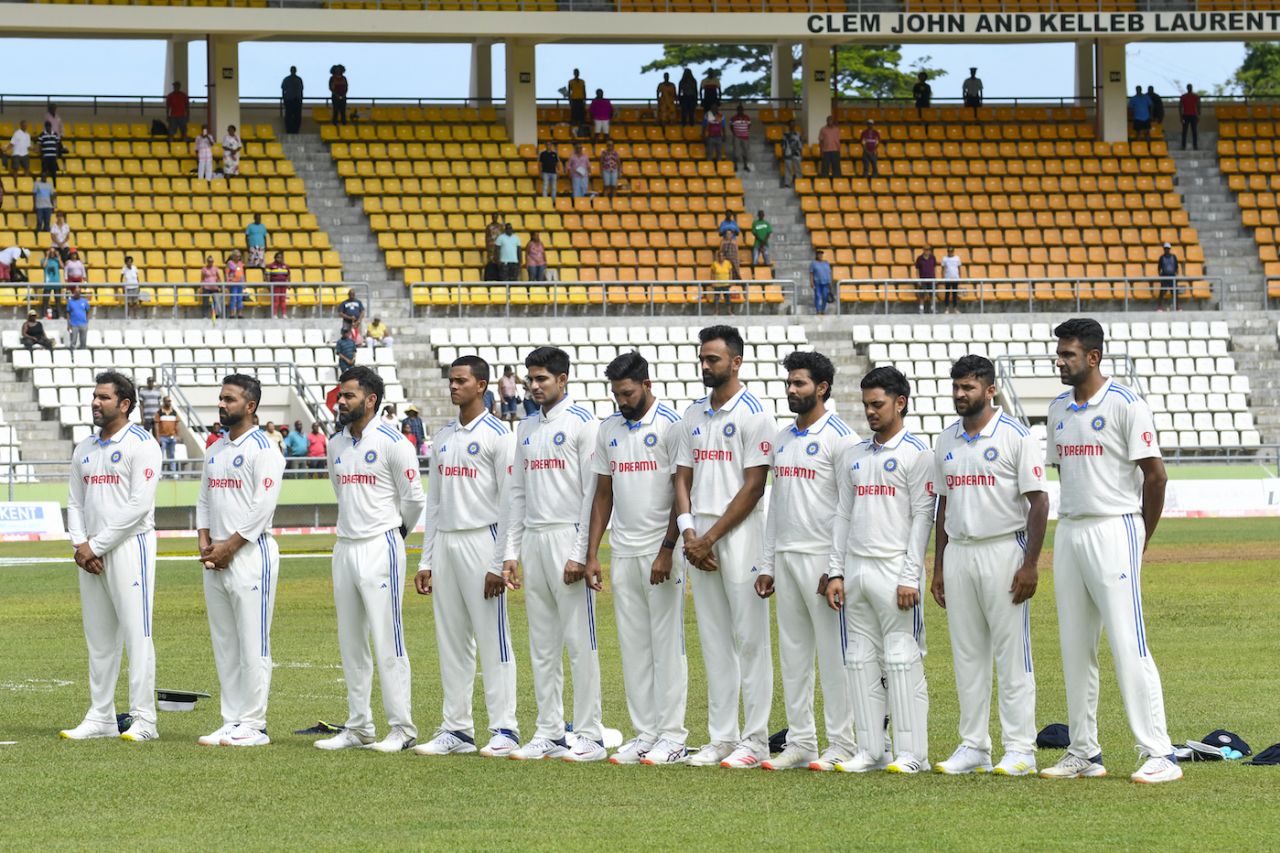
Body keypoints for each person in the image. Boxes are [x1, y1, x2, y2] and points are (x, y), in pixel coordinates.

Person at [1040, 319, 1179, 784]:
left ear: (1093, 357)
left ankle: (1159, 752)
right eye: (1059, 354)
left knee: (1127, 642)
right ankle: (1084, 751)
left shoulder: (1125, 404)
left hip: (1115, 528)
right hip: (1071, 531)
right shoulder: (1058, 408)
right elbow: (1063, 474)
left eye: (1068, 355)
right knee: (1075, 646)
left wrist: (1141, 534)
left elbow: (1156, 477)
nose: (1060, 361)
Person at [930, 356, 1048, 777]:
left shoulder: (1017, 435)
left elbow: (1038, 501)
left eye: (969, 388)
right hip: (959, 552)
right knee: (967, 655)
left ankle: (1020, 749)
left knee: (1012, 654)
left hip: (1004, 550)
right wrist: (939, 566)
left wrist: (1030, 563)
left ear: (990, 389)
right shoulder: (945, 440)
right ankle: (973, 745)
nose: (961, 395)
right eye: (957, 388)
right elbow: (943, 505)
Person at [673, 325, 775, 769]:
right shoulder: (692, 414)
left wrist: (708, 538)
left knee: (750, 640)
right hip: (700, 536)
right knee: (714, 640)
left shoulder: (756, 413)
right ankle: (722, 737)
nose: (705, 366)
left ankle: (755, 740)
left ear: (735, 362)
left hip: (742, 533)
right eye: (702, 358)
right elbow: (681, 477)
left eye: (713, 359)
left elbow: (754, 487)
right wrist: (688, 531)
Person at [825, 366, 935, 775]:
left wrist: (910, 576)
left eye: (878, 404)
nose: (870, 412)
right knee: (859, 659)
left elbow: (923, 517)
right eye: (867, 405)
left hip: (894, 571)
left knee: (902, 659)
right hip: (857, 569)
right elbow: (843, 515)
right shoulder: (854, 454)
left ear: (900, 403)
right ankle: (873, 749)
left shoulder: (917, 454)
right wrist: (835, 571)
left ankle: (913, 754)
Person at [412, 356, 520, 759]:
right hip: (448, 545)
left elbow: (509, 502)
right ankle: (456, 728)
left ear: (482, 385)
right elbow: (435, 503)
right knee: (451, 639)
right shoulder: (442, 437)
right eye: (451, 380)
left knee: (493, 638)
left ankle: (505, 728)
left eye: (461, 381)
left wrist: (501, 560)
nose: (454, 387)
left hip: (483, 539)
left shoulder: (498, 435)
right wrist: (426, 560)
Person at [583, 353, 688, 766]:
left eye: (626, 393)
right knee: (633, 647)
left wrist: (667, 548)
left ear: (646, 383)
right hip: (623, 551)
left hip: (661, 551)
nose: (621, 401)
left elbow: (683, 489)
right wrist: (593, 554)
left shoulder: (672, 425)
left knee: (667, 646)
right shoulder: (608, 428)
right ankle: (645, 733)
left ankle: (673, 736)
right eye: (615, 394)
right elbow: (602, 495)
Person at [755, 351, 857, 772]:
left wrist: (836, 569)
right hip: (787, 556)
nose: (791, 390)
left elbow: (848, 509)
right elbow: (776, 503)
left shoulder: (842, 437)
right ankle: (801, 741)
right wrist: (767, 562)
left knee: (835, 656)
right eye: (789, 383)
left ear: (822, 388)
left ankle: (844, 743)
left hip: (821, 561)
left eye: (799, 383)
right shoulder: (782, 438)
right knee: (794, 656)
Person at [501, 347, 604, 762]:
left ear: (563, 380)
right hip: (534, 539)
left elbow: (591, 493)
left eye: (543, 378)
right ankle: (548, 731)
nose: (535, 385)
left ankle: (590, 734)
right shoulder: (524, 427)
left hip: (568, 538)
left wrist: (581, 552)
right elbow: (518, 494)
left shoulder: (583, 423)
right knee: (542, 645)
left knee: (581, 642)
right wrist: (510, 551)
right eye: (531, 379)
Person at [317, 366, 425, 753]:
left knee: (387, 638)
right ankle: (359, 726)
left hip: (382, 544)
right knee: (351, 641)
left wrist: (396, 535)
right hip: (344, 545)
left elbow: (413, 499)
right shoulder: (335, 444)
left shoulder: (395, 442)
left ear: (371, 399)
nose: (341, 401)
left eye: (348, 396)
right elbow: (339, 490)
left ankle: (402, 728)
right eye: (340, 395)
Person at [60, 372, 163, 743]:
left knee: (138, 635)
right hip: (90, 553)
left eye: (103, 397)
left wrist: (96, 545)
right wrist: (79, 545)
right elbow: (75, 501)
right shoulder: (85, 446)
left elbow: (138, 506)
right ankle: (101, 716)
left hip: (129, 547)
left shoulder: (143, 444)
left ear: (124, 404)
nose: (95, 403)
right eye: (94, 396)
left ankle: (144, 720)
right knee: (99, 639)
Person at [195, 374, 287, 748]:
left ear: (249, 406)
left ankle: (254, 723)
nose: (221, 405)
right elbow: (204, 500)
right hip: (216, 556)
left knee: (253, 642)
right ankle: (231, 719)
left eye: (229, 399)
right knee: (225, 643)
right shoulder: (215, 448)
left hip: (250, 554)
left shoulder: (264, 448)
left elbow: (261, 508)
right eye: (220, 399)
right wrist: (206, 544)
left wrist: (229, 547)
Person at [154, 396, 180, 477]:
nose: (169, 402)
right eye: (167, 401)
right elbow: (156, 426)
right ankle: (160, 472)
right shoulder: (159, 412)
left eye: (170, 401)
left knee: (172, 455)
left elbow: (177, 425)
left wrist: (177, 435)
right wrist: (157, 437)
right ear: (164, 402)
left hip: (172, 437)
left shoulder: (174, 412)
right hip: (162, 437)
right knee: (160, 455)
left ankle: (173, 472)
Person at [265, 252, 290, 318]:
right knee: (276, 300)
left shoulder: (286, 266)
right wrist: (268, 284)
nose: (280, 259)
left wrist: (289, 283)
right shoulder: (270, 266)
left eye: (281, 257)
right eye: (278, 257)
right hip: (275, 285)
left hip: (283, 285)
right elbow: (267, 276)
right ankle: (274, 314)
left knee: (283, 300)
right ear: (275, 258)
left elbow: (288, 276)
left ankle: (284, 314)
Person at [1156, 242, 1180, 310]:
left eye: (1168, 248)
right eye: (1165, 248)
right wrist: (1161, 276)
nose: (1167, 250)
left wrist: (1176, 274)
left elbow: (1176, 267)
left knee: (1175, 292)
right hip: (1165, 277)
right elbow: (1159, 268)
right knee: (1162, 292)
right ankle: (1159, 306)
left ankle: (1177, 306)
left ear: (1170, 249)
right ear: (1164, 249)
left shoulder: (1174, 257)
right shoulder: (1161, 257)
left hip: (1172, 277)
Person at [709, 248, 734, 315]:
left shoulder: (728, 263)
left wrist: (730, 281)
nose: (721, 257)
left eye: (722, 256)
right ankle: (716, 312)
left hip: (726, 284)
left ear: (724, 257)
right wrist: (712, 282)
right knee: (717, 299)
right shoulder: (714, 264)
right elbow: (712, 273)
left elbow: (730, 272)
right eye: (719, 256)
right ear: (718, 257)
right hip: (717, 284)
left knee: (727, 298)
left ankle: (729, 312)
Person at [914, 246, 938, 314]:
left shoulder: (933, 257)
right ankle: (921, 308)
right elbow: (917, 270)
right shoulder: (919, 258)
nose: (927, 251)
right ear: (923, 250)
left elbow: (935, 268)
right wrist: (918, 279)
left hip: (931, 279)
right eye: (926, 250)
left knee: (932, 294)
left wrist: (935, 278)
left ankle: (933, 308)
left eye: (928, 250)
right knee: (922, 295)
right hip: (923, 279)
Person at [281, 66, 305, 134]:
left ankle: (296, 131)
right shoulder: (286, 79)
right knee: (288, 117)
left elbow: (301, 90)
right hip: (289, 100)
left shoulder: (299, 79)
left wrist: (301, 100)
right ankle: (289, 130)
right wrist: (284, 99)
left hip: (297, 100)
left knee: (297, 117)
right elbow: (283, 90)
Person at [40, 248, 62, 318]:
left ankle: (59, 315)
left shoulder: (57, 260)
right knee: (46, 300)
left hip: (56, 282)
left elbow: (62, 266)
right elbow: (44, 265)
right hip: (47, 282)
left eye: (53, 252)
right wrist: (47, 256)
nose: (52, 253)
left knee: (58, 300)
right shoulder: (44, 260)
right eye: (51, 252)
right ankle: (44, 315)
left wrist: (58, 257)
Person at [66, 286, 90, 350]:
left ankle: (82, 355)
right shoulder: (70, 302)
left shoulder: (84, 301)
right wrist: (68, 324)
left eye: (78, 292)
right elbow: (68, 313)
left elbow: (87, 311)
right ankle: (72, 355)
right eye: (75, 292)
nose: (77, 293)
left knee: (83, 342)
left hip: (83, 324)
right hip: (74, 324)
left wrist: (87, 320)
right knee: (73, 341)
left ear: (80, 293)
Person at [780, 120, 803, 188]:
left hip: (797, 154)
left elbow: (800, 145)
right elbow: (783, 145)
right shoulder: (785, 134)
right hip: (788, 153)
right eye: (791, 124)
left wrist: (801, 154)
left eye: (793, 124)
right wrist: (783, 154)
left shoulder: (798, 134)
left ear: (795, 126)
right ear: (788, 125)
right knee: (788, 169)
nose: (792, 126)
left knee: (798, 168)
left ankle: (799, 182)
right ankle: (787, 183)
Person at [729, 105, 752, 172]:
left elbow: (749, 126)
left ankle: (745, 166)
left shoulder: (747, 117)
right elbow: (731, 126)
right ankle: (735, 166)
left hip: (745, 137)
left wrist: (743, 132)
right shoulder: (733, 118)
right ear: (737, 110)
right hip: (737, 137)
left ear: (743, 110)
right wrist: (735, 133)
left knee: (745, 152)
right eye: (739, 110)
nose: (740, 111)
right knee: (736, 153)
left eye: (741, 110)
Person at [939, 246, 962, 314]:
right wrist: (942, 278)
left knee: (955, 294)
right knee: (947, 294)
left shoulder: (957, 258)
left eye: (951, 251)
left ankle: (955, 308)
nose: (950, 252)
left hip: (955, 278)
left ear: (953, 251)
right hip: (947, 278)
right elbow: (942, 269)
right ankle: (947, 309)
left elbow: (959, 268)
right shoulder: (944, 259)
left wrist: (960, 277)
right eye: (949, 251)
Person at [810, 249, 832, 315]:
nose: (820, 255)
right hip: (817, 282)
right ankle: (818, 310)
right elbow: (811, 273)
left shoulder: (826, 262)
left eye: (821, 254)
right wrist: (811, 282)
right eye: (819, 254)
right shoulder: (813, 263)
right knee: (817, 296)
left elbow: (829, 272)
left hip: (826, 282)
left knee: (825, 296)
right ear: (816, 255)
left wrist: (830, 281)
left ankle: (823, 310)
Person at [225, 249, 246, 319]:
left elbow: (242, 273)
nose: (238, 258)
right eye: (237, 256)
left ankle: (240, 313)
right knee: (233, 298)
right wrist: (228, 282)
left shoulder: (240, 263)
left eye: (239, 256)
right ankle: (232, 313)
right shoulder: (230, 263)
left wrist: (244, 282)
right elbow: (227, 273)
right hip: (233, 283)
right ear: (233, 256)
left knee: (240, 298)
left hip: (240, 283)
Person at [200, 255, 223, 319]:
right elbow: (202, 279)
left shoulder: (215, 268)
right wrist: (201, 287)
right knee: (205, 302)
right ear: (207, 262)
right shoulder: (204, 269)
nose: (211, 263)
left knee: (217, 301)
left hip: (215, 288)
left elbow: (218, 278)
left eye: (212, 261)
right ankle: (205, 315)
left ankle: (217, 315)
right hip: (206, 287)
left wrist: (220, 286)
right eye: (209, 261)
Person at [1179, 84, 1200, 150]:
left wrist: (1198, 115)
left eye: (1190, 87)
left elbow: (1198, 106)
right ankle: (1183, 146)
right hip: (1185, 115)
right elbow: (1180, 107)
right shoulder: (1183, 97)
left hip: (1193, 115)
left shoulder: (1195, 96)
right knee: (1184, 131)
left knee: (1194, 131)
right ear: (1187, 88)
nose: (1189, 88)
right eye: (1189, 87)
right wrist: (1181, 116)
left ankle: (1195, 146)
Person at [483, 213, 503, 280]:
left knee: (499, 263)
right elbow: (486, 238)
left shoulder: (501, 227)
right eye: (494, 216)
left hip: (499, 248)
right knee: (491, 263)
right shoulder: (489, 227)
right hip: (491, 248)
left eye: (496, 216)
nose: (495, 218)